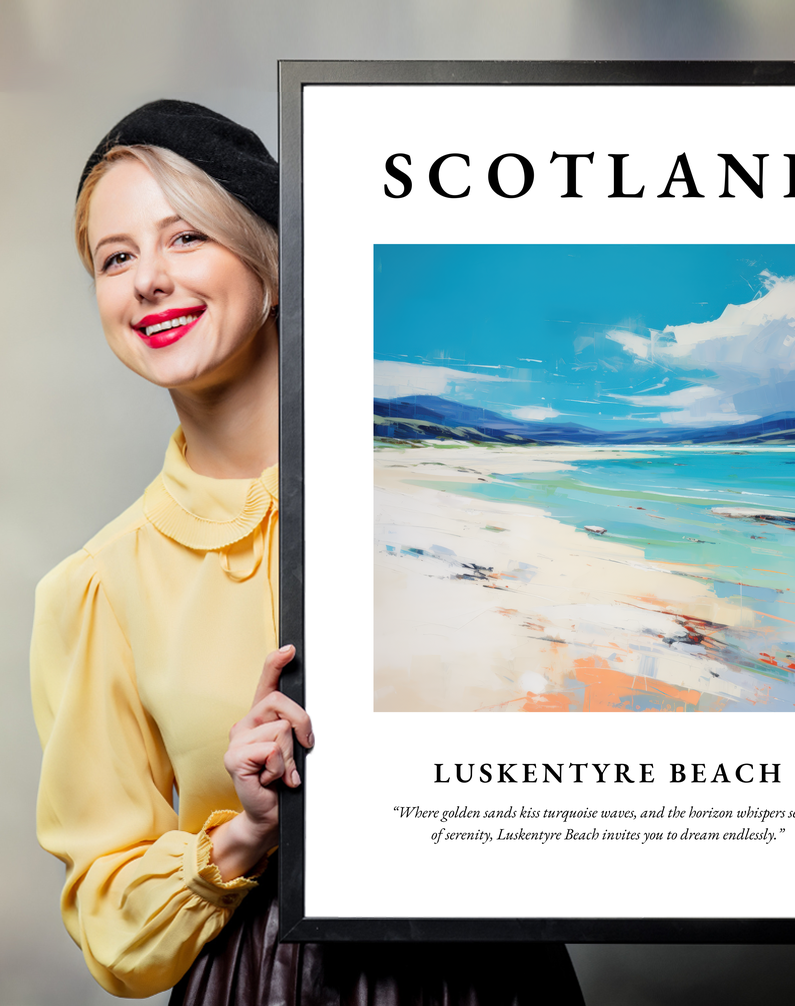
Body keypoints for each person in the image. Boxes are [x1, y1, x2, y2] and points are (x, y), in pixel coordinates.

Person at [30, 100, 585, 1004]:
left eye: (186, 239)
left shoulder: (449, 501)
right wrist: (245, 832)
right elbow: (110, 924)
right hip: (263, 982)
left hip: (493, 972)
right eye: (116, 257)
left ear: (273, 264)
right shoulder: (97, 587)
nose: (148, 281)